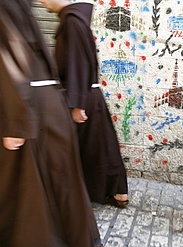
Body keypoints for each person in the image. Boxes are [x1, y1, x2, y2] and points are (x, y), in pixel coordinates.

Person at [0, 0, 101, 246]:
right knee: (61, 181)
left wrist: (15, 122)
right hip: (46, 104)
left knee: (27, 191)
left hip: (28, 105)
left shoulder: (72, 22)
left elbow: (10, 58)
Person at [38, 0, 129, 207]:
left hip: (82, 96)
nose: (41, 2)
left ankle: (76, 195)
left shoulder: (72, 21)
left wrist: (76, 104)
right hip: (87, 94)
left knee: (85, 147)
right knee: (102, 143)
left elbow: (77, 60)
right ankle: (118, 191)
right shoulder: (75, 19)